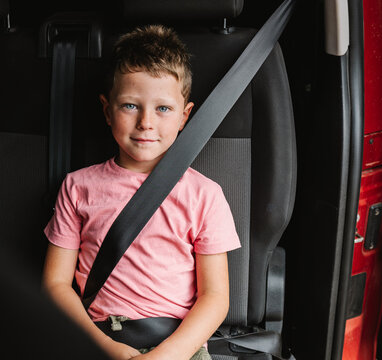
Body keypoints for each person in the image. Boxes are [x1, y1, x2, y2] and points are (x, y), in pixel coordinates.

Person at [42, 24, 241, 360]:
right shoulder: (78, 187)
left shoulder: (204, 195)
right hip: (95, 339)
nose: (146, 122)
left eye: (163, 109)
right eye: (130, 106)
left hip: (178, 346)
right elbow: (56, 285)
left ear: (184, 116)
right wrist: (106, 347)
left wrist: (167, 355)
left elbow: (216, 296)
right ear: (107, 110)